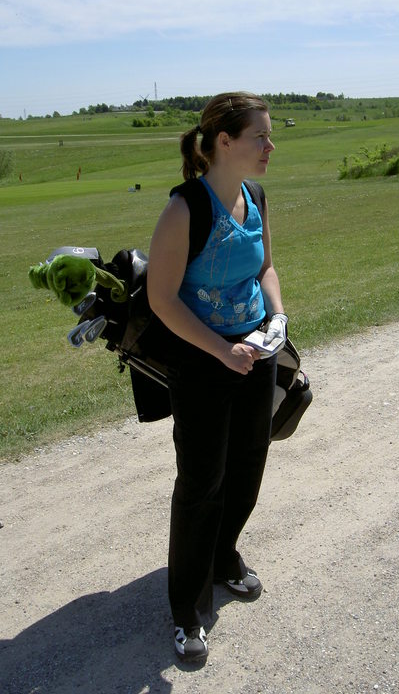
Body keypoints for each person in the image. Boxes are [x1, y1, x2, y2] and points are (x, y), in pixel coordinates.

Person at [147, 92, 287, 663]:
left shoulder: (255, 196)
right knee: (201, 483)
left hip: (256, 353)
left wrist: (276, 316)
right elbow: (161, 299)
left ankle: (224, 556)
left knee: (248, 465)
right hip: (203, 364)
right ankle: (187, 609)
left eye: (269, 135)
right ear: (224, 142)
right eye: (260, 136)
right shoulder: (186, 209)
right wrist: (221, 350)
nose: (270, 146)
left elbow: (266, 268)